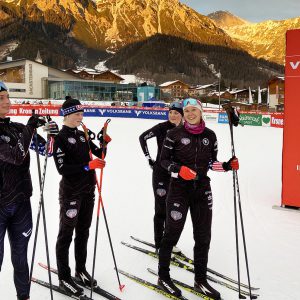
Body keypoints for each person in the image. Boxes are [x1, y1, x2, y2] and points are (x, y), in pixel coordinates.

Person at [157, 98, 239, 300]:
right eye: (187, 110)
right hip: (178, 189)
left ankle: (200, 280)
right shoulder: (173, 134)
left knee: (203, 237)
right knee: (171, 234)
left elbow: (211, 163)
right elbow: (163, 161)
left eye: (194, 110)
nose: (190, 113)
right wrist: (178, 170)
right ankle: (163, 277)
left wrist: (227, 166)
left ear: (201, 112)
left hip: (202, 189)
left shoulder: (210, 136)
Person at [0, 81, 50, 300]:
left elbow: (47, 151)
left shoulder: (17, 129)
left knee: (20, 258)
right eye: (1, 98)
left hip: (21, 205)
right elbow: (17, 156)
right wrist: (30, 128)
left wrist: (52, 134)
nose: (7, 102)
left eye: (7, 96)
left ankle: (24, 296)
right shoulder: (23, 130)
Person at [53, 98, 108, 297]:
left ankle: (80, 270)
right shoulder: (59, 138)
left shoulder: (82, 134)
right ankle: (64, 277)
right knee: (66, 234)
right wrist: (87, 166)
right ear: (67, 115)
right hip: (71, 193)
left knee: (83, 232)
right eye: (77, 114)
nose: (80, 117)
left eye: (81, 113)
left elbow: (99, 153)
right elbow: (62, 168)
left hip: (88, 190)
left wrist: (104, 143)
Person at [139, 102, 183, 252]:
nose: (172, 115)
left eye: (176, 113)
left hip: (177, 175)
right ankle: (159, 244)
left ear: (182, 115)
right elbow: (142, 137)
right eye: (170, 112)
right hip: (160, 173)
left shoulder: (185, 130)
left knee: (175, 210)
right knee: (161, 210)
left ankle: (170, 242)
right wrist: (149, 158)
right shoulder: (161, 127)